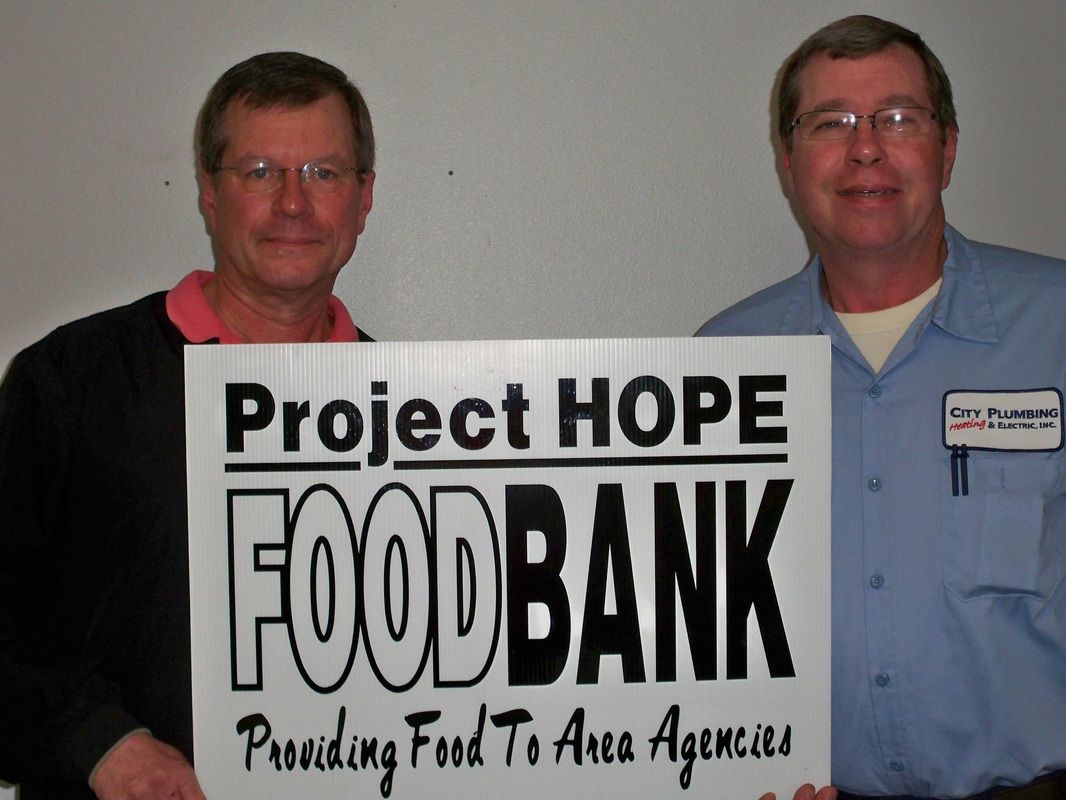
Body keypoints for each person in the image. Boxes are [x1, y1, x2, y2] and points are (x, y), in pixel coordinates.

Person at [701, 14, 1066, 800]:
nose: (866, 147)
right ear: (789, 159)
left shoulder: (1059, 327)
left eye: (899, 118)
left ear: (949, 148)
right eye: (831, 122)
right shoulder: (722, 364)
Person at [0, 51, 375, 799]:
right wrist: (101, 743)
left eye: (324, 174)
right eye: (261, 171)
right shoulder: (73, 380)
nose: (293, 205)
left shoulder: (426, 419)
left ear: (364, 200)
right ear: (209, 193)